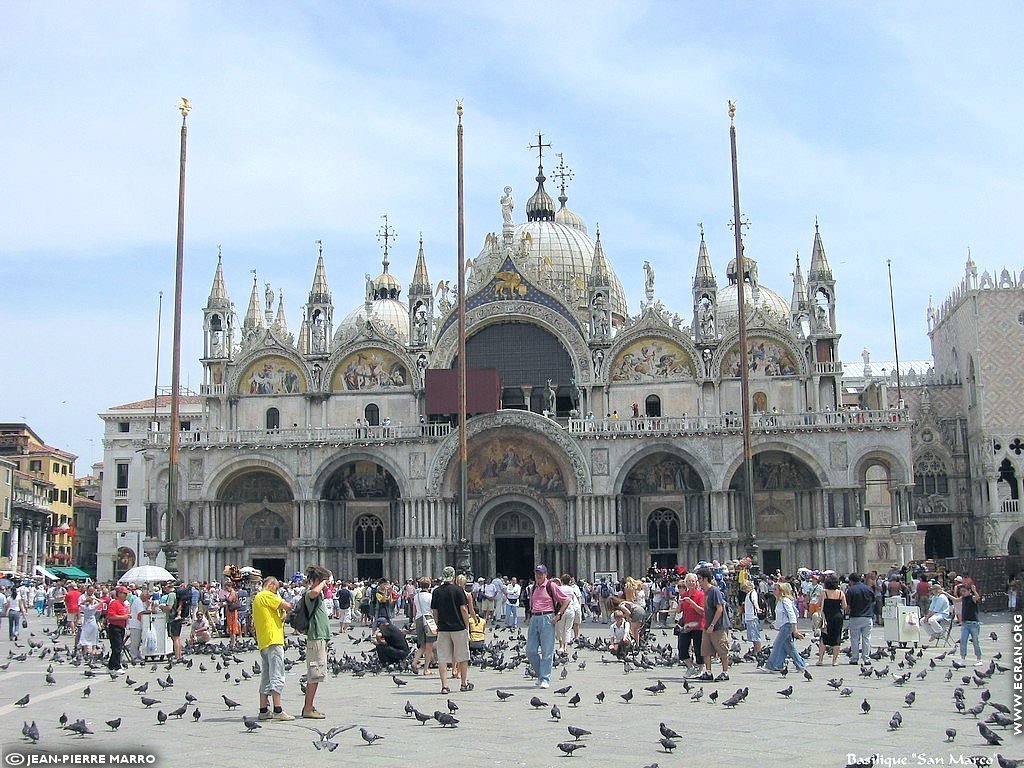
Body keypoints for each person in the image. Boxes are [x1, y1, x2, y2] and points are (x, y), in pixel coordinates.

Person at [252, 576, 295, 721]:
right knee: (277, 674)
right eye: (276, 588)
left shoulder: (258, 598)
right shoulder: (267, 595)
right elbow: (288, 606)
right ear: (270, 585)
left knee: (265, 676)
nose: (277, 591)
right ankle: (278, 710)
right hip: (273, 640)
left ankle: (263, 710)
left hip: (263, 641)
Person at [526, 564, 569, 689]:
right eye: (536, 573)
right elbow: (531, 604)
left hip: (547, 618)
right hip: (535, 618)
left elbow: (566, 600)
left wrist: (559, 615)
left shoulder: (551, 586)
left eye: (541, 573)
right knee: (530, 650)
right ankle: (541, 674)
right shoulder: (533, 587)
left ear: (546, 574)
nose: (538, 575)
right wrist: (529, 617)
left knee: (547, 650)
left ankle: (545, 678)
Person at [431, 566, 472, 695]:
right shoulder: (458, 590)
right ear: (453, 577)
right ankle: (464, 684)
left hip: (443, 628)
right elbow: (464, 610)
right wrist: (467, 625)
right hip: (458, 627)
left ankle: (444, 686)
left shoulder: (436, 591)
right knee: (462, 656)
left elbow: (435, 612)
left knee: (442, 658)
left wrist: (438, 625)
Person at [301, 565, 331, 719]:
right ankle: (308, 708)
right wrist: (322, 583)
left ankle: (309, 706)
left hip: (320, 637)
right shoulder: (310, 593)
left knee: (316, 675)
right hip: (316, 637)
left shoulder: (318, 596)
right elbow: (313, 592)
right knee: (315, 674)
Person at [696, 567, 731, 681]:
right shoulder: (705, 592)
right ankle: (708, 672)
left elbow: (719, 608)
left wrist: (712, 625)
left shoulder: (714, 591)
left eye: (699, 579)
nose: (698, 581)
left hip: (718, 626)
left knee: (722, 649)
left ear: (706, 579)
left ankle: (725, 672)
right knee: (706, 650)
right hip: (707, 625)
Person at [765, 582, 806, 672]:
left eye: (775, 589)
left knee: (777, 645)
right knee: (789, 646)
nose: (773, 591)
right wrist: (774, 624)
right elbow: (781, 617)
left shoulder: (785, 601)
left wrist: (795, 630)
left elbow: (792, 615)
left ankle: (771, 666)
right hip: (784, 625)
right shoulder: (780, 601)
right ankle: (800, 665)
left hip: (787, 626)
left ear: (781, 591)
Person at [675, 572, 705, 675]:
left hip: (698, 625)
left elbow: (702, 611)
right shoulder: (683, 595)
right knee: (682, 647)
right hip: (687, 625)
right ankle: (690, 667)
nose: (691, 583)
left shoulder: (701, 595)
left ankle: (701, 669)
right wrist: (680, 602)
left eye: (693, 581)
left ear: (696, 583)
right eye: (688, 581)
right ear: (686, 584)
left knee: (698, 649)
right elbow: (678, 611)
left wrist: (692, 603)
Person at [816, 574, 847, 666]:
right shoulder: (841, 593)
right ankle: (834, 661)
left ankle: (820, 660)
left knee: (824, 637)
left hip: (827, 617)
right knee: (837, 637)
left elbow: (819, 604)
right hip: (837, 616)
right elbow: (845, 606)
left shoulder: (824, 592)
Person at [951, 579, 983, 665]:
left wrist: (974, 591)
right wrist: (944, 593)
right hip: (965, 624)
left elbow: (977, 598)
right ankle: (962, 659)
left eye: (964, 591)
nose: (962, 593)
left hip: (974, 624)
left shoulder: (972, 598)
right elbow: (956, 599)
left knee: (975, 641)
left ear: (969, 591)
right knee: (963, 641)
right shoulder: (963, 598)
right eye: (961, 591)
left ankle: (979, 659)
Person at [845, 572, 874, 665]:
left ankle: (854, 658)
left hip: (855, 616)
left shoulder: (851, 590)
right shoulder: (868, 589)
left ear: (851, 581)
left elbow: (848, 605)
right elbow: (873, 602)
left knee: (854, 639)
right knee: (866, 638)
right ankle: (866, 658)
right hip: (867, 617)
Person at [411, 578, 436, 675]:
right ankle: (426, 669)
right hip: (429, 620)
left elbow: (414, 610)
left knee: (422, 645)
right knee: (429, 645)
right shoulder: (430, 596)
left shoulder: (416, 597)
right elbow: (433, 610)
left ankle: (414, 662)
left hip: (418, 619)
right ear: (429, 586)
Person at [106, 586, 130, 671]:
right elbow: (110, 616)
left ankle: (111, 666)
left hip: (122, 627)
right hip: (114, 627)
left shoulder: (123, 604)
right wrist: (123, 617)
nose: (126, 595)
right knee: (117, 647)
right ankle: (116, 667)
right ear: (119, 594)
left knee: (118, 647)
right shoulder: (114, 603)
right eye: (124, 593)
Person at [127, 586, 153, 661]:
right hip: (135, 624)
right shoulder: (138, 601)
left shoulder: (142, 602)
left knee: (138, 642)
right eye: (147, 597)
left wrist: (148, 605)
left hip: (139, 624)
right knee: (135, 642)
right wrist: (150, 611)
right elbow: (140, 613)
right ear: (143, 596)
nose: (147, 599)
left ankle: (138, 655)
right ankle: (133, 656)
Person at [740, 580, 763, 655]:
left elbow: (754, 602)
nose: (744, 590)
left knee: (756, 636)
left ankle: (758, 652)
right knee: (753, 637)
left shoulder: (753, 593)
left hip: (752, 618)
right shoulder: (748, 594)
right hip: (749, 618)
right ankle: (756, 651)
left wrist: (757, 609)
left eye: (744, 588)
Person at [78, 587, 101, 656]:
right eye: (90, 590)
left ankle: (87, 650)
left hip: (86, 619)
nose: (91, 592)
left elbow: (79, 605)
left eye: (92, 591)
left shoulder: (85, 606)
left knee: (85, 634)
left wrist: (85, 602)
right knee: (91, 634)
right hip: (88, 618)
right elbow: (101, 602)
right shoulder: (82, 597)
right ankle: (91, 649)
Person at [224, 581, 240, 648]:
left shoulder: (233, 593)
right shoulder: (231, 592)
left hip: (232, 612)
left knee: (232, 626)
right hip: (230, 611)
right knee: (230, 626)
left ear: (230, 587)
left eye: (227, 588)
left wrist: (225, 596)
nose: (226, 589)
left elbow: (230, 600)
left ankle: (233, 642)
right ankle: (232, 641)